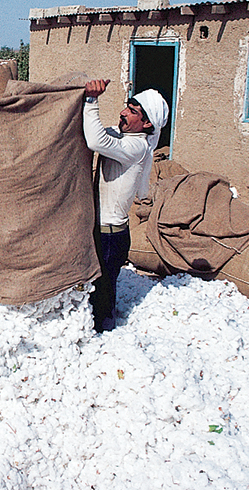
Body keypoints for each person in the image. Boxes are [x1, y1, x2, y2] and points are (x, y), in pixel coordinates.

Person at [83, 79, 169, 332]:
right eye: (127, 107)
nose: (123, 112)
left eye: (133, 111)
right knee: (98, 283)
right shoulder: (124, 136)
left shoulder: (136, 146)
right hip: (105, 230)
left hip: (111, 236)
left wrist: (91, 100)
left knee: (103, 287)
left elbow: (97, 141)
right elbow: (96, 131)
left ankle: (104, 330)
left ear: (147, 123)